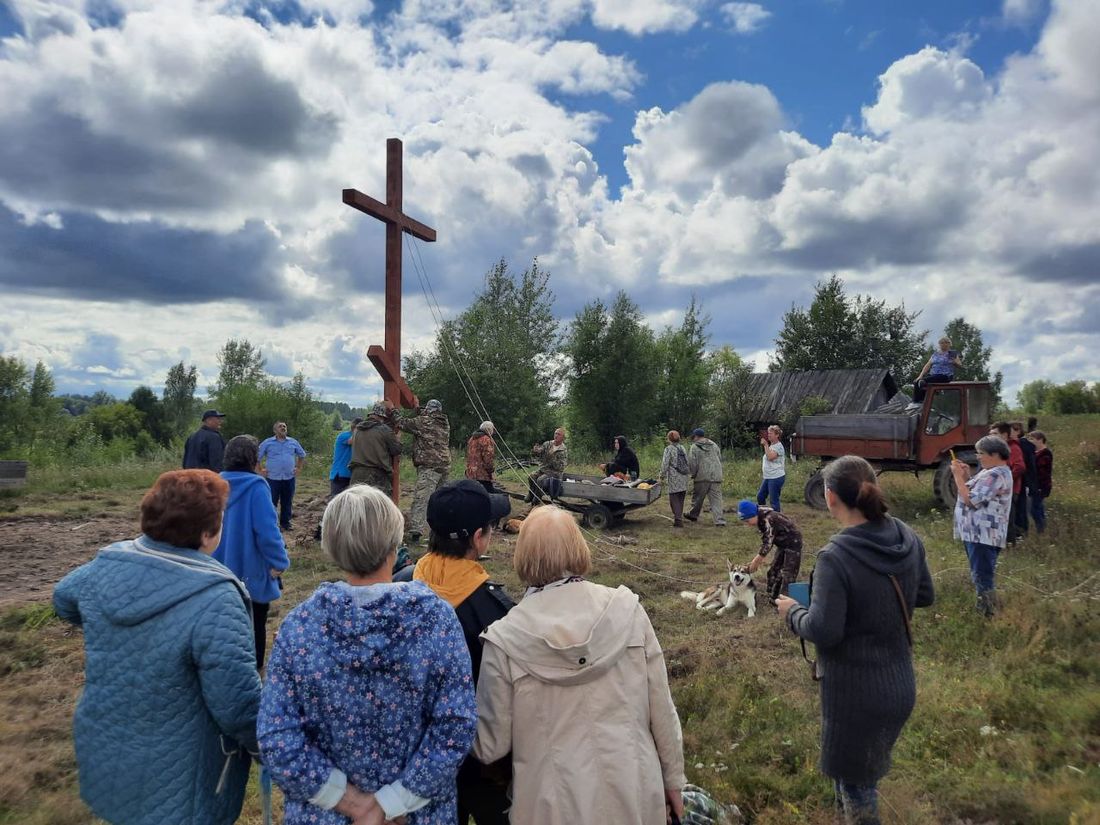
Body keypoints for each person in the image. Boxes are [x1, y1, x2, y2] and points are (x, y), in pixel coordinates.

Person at [258, 484, 478, 825]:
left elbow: (278, 737)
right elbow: (456, 726)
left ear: (330, 544)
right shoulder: (437, 620)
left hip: (325, 815)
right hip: (417, 815)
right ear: (395, 542)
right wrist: (392, 802)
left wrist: (353, 803)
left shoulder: (299, 627)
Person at [53, 470, 261, 825]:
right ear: (208, 533)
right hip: (182, 779)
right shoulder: (217, 599)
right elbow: (239, 708)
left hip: (106, 749)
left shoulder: (104, 568)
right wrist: (272, 746)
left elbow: (64, 599)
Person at [473, 506, 686, 825]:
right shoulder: (628, 612)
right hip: (635, 793)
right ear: (578, 545)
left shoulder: (505, 639)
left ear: (523, 554)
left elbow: (490, 746)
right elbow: (662, 710)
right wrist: (673, 781)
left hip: (550, 807)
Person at [777, 456, 934, 824]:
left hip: (855, 696)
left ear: (829, 497)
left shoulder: (836, 556)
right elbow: (925, 595)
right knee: (856, 777)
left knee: (857, 789)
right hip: (898, 684)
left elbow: (824, 631)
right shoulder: (906, 536)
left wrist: (792, 613)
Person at [414, 480, 514, 825]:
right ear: (478, 538)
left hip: (418, 757)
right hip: (482, 760)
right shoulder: (495, 611)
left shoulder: (403, 586)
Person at [215, 435, 291, 668]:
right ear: (253, 458)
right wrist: (280, 562)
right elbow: (267, 531)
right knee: (256, 623)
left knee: (222, 625)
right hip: (251, 572)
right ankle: (255, 671)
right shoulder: (257, 487)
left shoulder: (214, 484)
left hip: (217, 570)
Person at [952, 435, 1014, 617]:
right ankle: (986, 609)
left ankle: (987, 613)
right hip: (978, 533)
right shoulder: (992, 471)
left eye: (981, 453)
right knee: (979, 572)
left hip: (983, 534)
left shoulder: (996, 474)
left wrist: (956, 477)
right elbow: (975, 491)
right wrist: (965, 476)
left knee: (982, 575)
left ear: (995, 454)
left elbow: (971, 500)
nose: (977, 456)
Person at [400, 399, 451, 544]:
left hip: (430, 466)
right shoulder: (444, 422)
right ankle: (442, 531)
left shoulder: (423, 422)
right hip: (444, 465)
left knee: (421, 499)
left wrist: (392, 411)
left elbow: (402, 422)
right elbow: (425, 417)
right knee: (441, 501)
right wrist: (418, 409)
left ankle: (416, 533)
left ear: (428, 410)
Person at [739, 500, 803, 603]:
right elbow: (767, 540)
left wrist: (756, 561)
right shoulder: (760, 516)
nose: (747, 524)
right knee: (773, 571)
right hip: (782, 544)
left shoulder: (769, 519)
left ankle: (786, 602)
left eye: (747, 521)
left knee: (788, 574)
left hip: (793, 543)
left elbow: (768, 543)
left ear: (754, 514)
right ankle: (772, 596)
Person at [259, 421, 307, 531]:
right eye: (280, 426)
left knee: (287, 501)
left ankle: (286, 523)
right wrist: (260, 470)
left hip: (289, 477)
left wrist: (299, 468)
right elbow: (257, 457)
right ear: (275, 430)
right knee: (271, 501)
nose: (283, 428)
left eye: (284, 426)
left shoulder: (293, 442)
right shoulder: (267, 442)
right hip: (272, 478)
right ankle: (271, 524)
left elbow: (302, 455)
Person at [349, 401, 403, 494]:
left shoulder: (357, 429)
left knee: (357, 505)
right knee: (378, 506)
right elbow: (396, 450)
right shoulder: (384, 429)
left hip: (356, 474)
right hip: (376, 475)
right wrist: (397, 439)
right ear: (381, 417)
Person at [991, 421, 1025, 543]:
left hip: (1010, 490)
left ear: (1005, 435)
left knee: (1008, 518)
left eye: (995, 434)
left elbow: (1020, 467)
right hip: (999, 490)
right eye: (991, 434)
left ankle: (1011, 544)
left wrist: (1005, 481)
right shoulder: (998, 450)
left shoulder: (1013, 448)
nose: (991, 437)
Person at [685, 428, 726, 526]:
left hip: (702, 476)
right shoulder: (714, 445)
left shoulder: (694, 447)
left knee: (698, 498)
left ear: (695, 436)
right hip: (716, 475)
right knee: (716, 499)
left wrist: (693, 474)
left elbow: (692, 463)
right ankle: (719, 521)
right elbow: (719, 458)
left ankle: (693, 515)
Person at [909, 336, 962, 408]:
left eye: (947, 343)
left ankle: (920, 401)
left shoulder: (952, 353)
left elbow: (959, 365)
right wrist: (920, 376)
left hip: (945, 376)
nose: (944, 344)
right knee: (918, 382)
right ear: (939, 344)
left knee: (924, 381)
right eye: (942, 343)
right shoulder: (935, 354)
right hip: (933, 375)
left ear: (950, 344)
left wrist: (954, 362)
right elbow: (927, 365)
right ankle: (916, 402)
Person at [1012, 421, 1038, 538]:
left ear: (1017, 431)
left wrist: (1031, 484)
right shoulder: (1016, 444)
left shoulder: (1024, 445)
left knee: (1021, 509)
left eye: (1011, 430)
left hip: (1023, 481)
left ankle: (1022, 533)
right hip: (1021, 481)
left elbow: (1030, 467)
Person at [660, 430, 690, 528]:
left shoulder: (669, 449)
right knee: (681, 497)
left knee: (674, 498)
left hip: (674, 476)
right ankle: (679, 517)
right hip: (684, 476)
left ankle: (678, 520)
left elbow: (665, 464)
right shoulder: (682, 448)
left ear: (669, 439)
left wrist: (661, 475)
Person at [328, 417, 362, 498]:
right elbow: (352, 441)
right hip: (339, 475)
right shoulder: (344, 436)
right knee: (336, 501)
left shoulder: (358, 438)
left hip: (351, 476)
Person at [530, 427, 568, 500]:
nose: (556, 435)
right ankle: (531, 494)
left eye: (558, 434)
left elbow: (561, 467)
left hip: (555, 473)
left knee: (540, 480)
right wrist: (536, 451)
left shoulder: (563, 450)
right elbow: (540, 453)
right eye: (555, 433)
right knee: (531, 476)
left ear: (562, 438)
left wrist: (552, 457)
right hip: (544, 469)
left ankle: (536, 499)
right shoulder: (547, 444)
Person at [757, 424, 786, 511]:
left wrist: (765, 445)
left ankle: (777, 519)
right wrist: (767, 446)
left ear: (777, 435)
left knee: (774, 500)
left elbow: (770, 457)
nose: (769, 435)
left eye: (771, 433)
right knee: (760, 496)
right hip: (768, 476)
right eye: (768, 433)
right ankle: (765, 514)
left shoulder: (779, 447)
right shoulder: (772, 446)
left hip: (776, 476)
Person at [1028, 430, 1053, 534]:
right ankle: (1042, 528)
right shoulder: (1036, 452)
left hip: (1041, 485)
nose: (1031, 441)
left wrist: (1038, 485)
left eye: (1032, 439)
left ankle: (1041, 529)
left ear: (1040, 440)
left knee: (1035, 509)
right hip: (1036, 484)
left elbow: (1043, 472)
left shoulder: (1045, 453)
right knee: (1039, 507)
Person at [465, 421, 497, 494]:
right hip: (482, 475)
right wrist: (491, 471)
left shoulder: (472, 439)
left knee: (473, 495)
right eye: (492, 429)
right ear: (489, 429)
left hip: (470, 473)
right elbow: (488, 458)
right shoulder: (486, 439)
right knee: (488, 495)